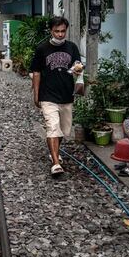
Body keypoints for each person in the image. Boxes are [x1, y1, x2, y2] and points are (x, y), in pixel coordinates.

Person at [30, 16, 84, 177]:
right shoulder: (42, 49)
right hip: (48, 94)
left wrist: (77, 70)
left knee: (63, 130)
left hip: (66, 95)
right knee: (52, 127)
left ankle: (54, 152)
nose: (60, 34)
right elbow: (36, 72)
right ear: (51, 31)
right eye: (57, 31)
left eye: (62, 31)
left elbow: (77, 66)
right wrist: (36, 94)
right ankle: (55, 163)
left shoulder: (72, 47)